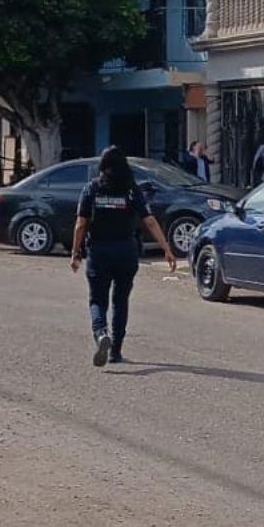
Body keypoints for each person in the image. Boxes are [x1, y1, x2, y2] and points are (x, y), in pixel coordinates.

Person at [70, 146, 177, 367]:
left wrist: (75, 252)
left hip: (99, 251)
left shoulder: (92, 189)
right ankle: (115, 351)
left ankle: (101, 334)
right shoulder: (131, 190)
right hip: (126, 251)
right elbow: (149, 220)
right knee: (120, 301)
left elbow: (81, 224)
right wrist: (166, 248)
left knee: (97, 299)